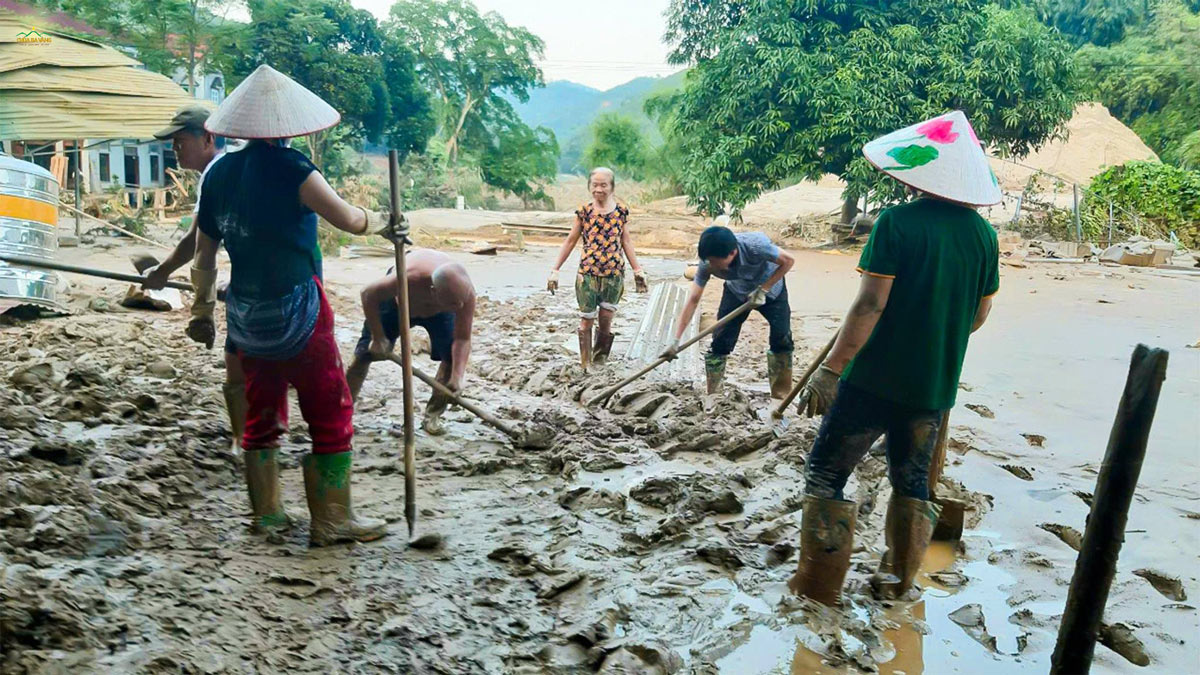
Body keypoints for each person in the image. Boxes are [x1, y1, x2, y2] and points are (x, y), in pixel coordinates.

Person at [788, 111, 1001, 606]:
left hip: (873, 382)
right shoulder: (984, 237)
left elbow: (870, 304)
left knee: (825, 472)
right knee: (911, 480)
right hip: (933, 387)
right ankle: (897, 585)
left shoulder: (897, 223)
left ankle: (818, 586)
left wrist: (832, 369)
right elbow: (979, 315)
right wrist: (937, 333)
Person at [187, 65, 397, 546]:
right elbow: (347, 219)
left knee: (260, 417)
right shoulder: (294, 169)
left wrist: (201, 312)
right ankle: (331, 520)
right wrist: (385, 221)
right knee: (330, 409)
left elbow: (204, 256)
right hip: (299, 314)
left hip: (245, 317)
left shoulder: (218, 174)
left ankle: (267, 515)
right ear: (286, 126)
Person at [139, 106, 246, 450]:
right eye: (172, 144)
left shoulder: (218, 172)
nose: (175, 150)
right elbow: (199, 240)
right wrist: (163, 272)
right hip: (264, 273)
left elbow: (199, 245)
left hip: (255, 280)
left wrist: (164, 275)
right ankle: (252, 437)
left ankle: (245, 439)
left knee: (239, 360)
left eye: (180, 141)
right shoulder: (225, 168)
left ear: (209, 138)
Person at [344, 250, 476, 435]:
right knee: (365, 354)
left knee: (452, 359)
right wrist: (378, 337)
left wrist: (458, 377)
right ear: (433, 292)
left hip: (441, 306)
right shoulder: (407, 279)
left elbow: (462, 339)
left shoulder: (462, 296)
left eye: (460, 303)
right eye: (454, 305)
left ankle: (433, 416)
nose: (459, 309)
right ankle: (342, 415)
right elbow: (368, 294)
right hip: (396, 304)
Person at [661, 226, 796, 398]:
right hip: (736, 292)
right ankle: (714, 394)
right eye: (709, 261)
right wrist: (676, 339)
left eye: (716, 261)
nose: (712, 266)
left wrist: (764, 289)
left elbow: (789, 261)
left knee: (782, 338)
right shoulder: (707, 264)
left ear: (732, 253)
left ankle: (780, 395)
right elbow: (693, 299)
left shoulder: (756, 246)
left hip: (772, 291)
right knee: (720, 340)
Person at [546, 167, 647, 369]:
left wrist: (638, 270)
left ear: (612, 187)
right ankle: (586, 364)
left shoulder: (621, 212)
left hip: (613, 275)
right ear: (589, 186)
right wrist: (555, 270)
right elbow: (570, 241)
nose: (598, 189)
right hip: (587, 274)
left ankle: (600, 360)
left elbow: (626, 241)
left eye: (603, 185)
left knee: (606, 319)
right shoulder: (584, 212)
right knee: (586, 320)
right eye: (595, 185)